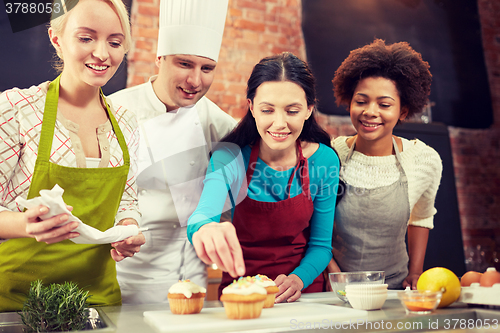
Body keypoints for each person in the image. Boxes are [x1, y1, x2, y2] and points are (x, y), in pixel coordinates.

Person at [0, 0, 145, 312]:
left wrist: (128, 228)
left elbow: (126, 201)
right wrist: (26, 225)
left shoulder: (126, 120)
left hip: (97, 301)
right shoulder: (17, 110)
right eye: (86, 38)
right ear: (57, 39)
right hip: (16, 303)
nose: (103, 54)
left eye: (115, 42)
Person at [108, 0, 236, 304]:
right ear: (159, 58)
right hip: (120, 277)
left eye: (207, 68)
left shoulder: (219, 123)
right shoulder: (114, 110)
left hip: (190, 282)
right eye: (184, 64)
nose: (195, 81)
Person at [187, 52, 340, 303]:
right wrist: (204, 228)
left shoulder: (324, 161)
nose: (279, 124)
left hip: (302, 293)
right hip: (242, 291)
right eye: (267, 110)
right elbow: (203, 214)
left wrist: (297, 279)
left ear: (309, 110)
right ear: (252, 108)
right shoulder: (230, 157)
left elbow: (321, 246)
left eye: (292, 111)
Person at [327, 39, 443, 289]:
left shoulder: (423, 160)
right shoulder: (330, 155)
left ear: (402, 111)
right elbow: (314, 224)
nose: (370, 111)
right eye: (361, 101)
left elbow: (421, 217)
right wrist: (334, 277)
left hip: (395, 288)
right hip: (336, 289)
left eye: (384, 104)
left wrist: (415, 272)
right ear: (349, 101)